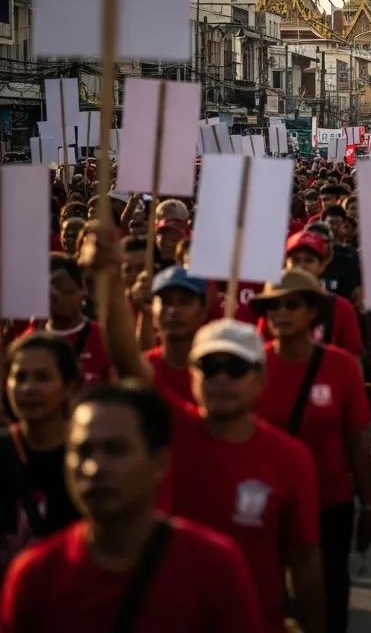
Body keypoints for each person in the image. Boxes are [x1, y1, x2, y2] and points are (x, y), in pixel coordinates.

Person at [85, 227, 325, 633]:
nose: (222, 381)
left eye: (235, 369)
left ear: (260, 378)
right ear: (192, 377)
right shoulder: (173, 428)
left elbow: (304, 560)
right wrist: (109, 281)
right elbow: (128, 360)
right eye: (209, 369)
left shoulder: (289, 457)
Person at [0, 383, 263, 633]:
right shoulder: (35, 575)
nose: (95, 468)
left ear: (160, 462)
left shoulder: (214, 568)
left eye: (116, 450)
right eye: (83, 451)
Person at [249, 268, 371, 632]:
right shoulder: (251, 367)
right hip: (269, 501)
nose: (281, 314)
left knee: (329, 591)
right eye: (273, 307)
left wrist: (367, 504)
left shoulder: (340, 367)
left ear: (313, 313)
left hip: (330, 501)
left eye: (292, 305)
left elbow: (358, 439)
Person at [0, 334, 81, 574]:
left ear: (69, 386)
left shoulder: (87, 457)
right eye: (20, 377)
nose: (28, 389)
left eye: (43, 378)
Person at [282, 230, 363, 356]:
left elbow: (353, 359)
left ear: (322, 265)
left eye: (309, 260)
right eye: (295, 260)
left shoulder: (341, 309)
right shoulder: (275, 307)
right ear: (286, 264)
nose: (302, 266)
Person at [38, 254, 113, 387]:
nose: (54, 295)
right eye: (46, 289)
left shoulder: (105, 339)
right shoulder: (31, 341)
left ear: (82, 290)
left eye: (60, 286)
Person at [144, 266, 209, 404]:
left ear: (203, 311)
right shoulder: (144, 370)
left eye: (184, 301)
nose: (173, 310)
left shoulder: (217, 375)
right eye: (166, 302)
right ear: (152, 311)